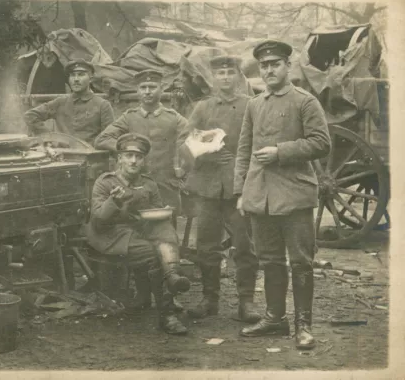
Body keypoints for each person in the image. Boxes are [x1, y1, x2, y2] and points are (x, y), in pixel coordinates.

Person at [234, 40, 331, 350]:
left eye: (275, 63)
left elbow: (321, 143)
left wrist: (280, 152)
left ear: (288, 67)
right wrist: (241, 191)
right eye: (264, 65)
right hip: (260, 197)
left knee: (301, 262)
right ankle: (275, 319)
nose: (269, 69)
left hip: (294, 196)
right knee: (270, 260)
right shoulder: (254, 104)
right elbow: (244, 150)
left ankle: (304, 326)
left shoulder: (305, 102)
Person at [94, 70, 189, 311]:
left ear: (161, 90)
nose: (147, 92)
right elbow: (102, 139)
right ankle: (144, 295)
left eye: (152, 87)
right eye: (143, 87)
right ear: (137, 91)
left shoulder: (173, 117)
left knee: (166, 238)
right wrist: (127, 150)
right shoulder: (129, 117)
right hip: (133, 187)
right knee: (139, 236)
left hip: (164, 187)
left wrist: (182, 163)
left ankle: (170, 294)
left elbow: (190, 140)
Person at [86, 133, 190, 335]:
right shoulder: (105, 182)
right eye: (129, 155)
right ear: (119, 159)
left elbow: (156, 214)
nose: (134, 161)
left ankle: (171, 276)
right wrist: (113, 202)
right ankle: (167, 314)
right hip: (111, 235)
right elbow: (98, 221)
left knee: (166, 232)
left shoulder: (149, 183)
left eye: (139, 157)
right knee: (153, 255)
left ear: (144, 160)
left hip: (139, 230)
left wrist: (163, 211)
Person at [185, 55, 260, 323]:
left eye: (230, 72)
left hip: (238, 187)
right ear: (213, 78)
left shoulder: (250, 105)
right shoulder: (202, 108)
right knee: (206, 245)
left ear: (238, 76)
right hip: (207, 188)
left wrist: (246, 172)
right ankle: (209, 299)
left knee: (244, 245)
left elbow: (257, 142)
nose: (225, 77)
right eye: (220, 73)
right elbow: (187, 142)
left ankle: (246, 302)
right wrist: (206, 154)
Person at [24, 59, 115, 146]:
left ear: (90, 79)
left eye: (81, 75)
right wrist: (50, 137)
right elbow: (30, 115)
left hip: (91, 158)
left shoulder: (102, 105)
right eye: (72, 75)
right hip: (62, 157)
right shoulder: (60, 102)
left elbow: (108, 137)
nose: (76, 79)